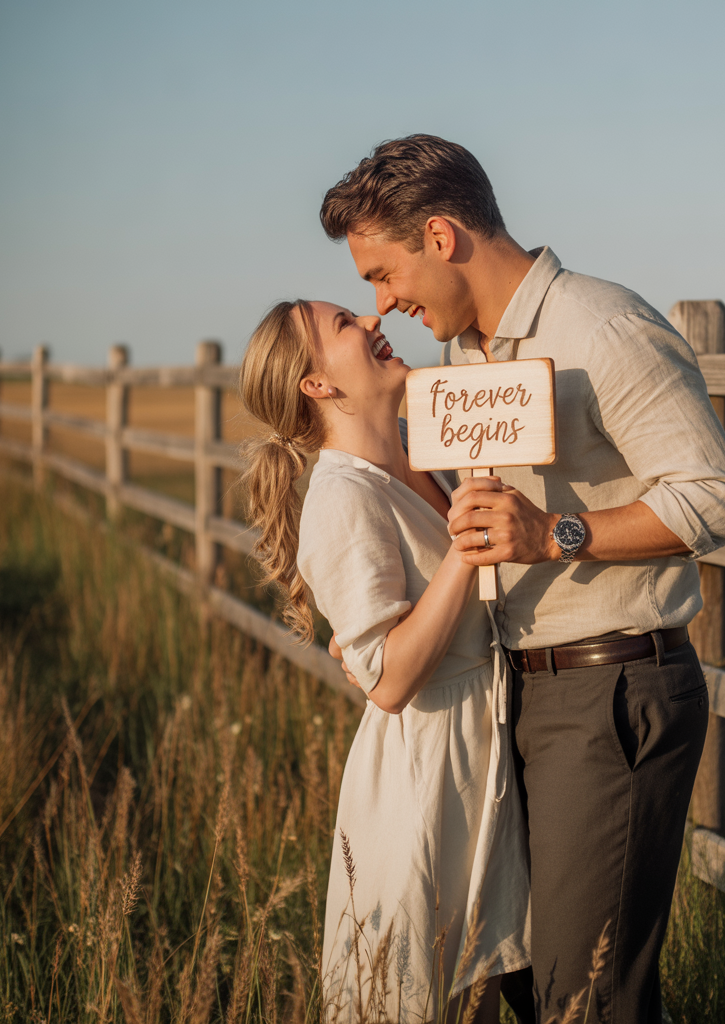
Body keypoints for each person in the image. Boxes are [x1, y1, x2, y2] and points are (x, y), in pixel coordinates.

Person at [319, 135, 725, 1023]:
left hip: (612, 686)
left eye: (382, 273)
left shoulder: (603, 328)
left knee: (588, 996)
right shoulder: (466, 360)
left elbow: (717, 498)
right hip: (514, 696)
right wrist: (372, 630)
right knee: (518, 980)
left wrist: (559, 533)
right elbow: (465, 528)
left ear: (440, 236)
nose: (381, 305)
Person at [238, 299, 530, 1023]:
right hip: (430, 775)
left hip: (483, 743)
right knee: (440, 995)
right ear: (318, 385)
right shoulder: (340, 496)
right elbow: (391, 679)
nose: (373, 320)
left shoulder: (417, 446)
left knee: (485, 984)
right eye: (345, 325)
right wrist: (467, 550)